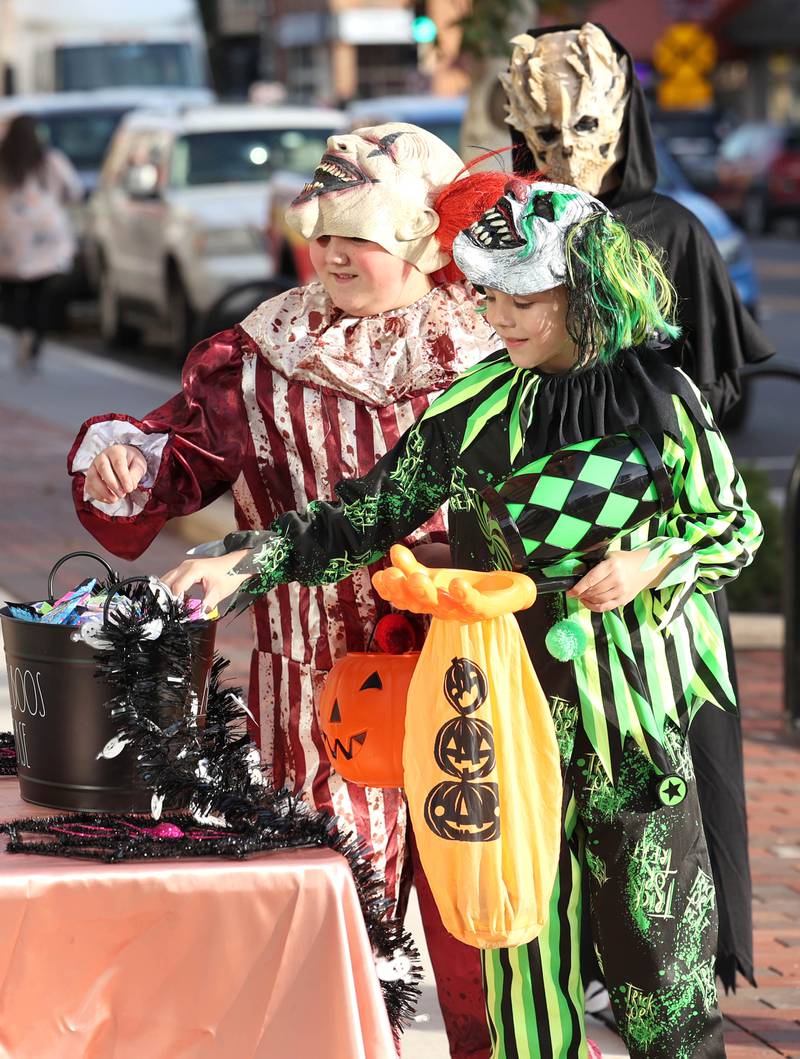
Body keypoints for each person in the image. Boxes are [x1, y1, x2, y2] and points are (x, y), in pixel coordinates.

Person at [161, 176, 762, 1058]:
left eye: (523, 296)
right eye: (488, 292)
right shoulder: (473, 406)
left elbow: (733, 525)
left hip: (630, 717)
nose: (499, 315)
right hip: (501, 719)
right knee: (518, 957)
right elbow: (361, 513)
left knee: (664, 968)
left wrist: (654, 561)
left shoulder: (663, 399)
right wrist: (244, 562)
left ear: (586, 288)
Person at [68, 123, 507, 1059]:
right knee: (329, 912)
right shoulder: (263, 351)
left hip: (468, 675)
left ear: (425, 241)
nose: (336, 254)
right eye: (325, 232)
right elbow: (175, 459)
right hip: (307, 686)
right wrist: (126, 463)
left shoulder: (489, 347)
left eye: (365, 237)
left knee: (483, 918)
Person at [501, 22, 771, 991]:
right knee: (552, 773)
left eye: (581, 129)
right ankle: (575, 968)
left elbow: (712, 405)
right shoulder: (508, 236)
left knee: (674, 767)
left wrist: (660, 529)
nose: (564, 158)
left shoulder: (669, 231)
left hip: (656, 574)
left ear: (619, 121)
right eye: (539, 139)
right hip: (541, 574)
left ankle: (676, 974)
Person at [0, 114, 82, 370]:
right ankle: (35, 338)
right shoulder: (50, 160)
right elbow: (74, 190)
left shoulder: (3, 161)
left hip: (8, 237)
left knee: (11, 293)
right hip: (46, 238)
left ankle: (21, 329)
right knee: (40, 294)